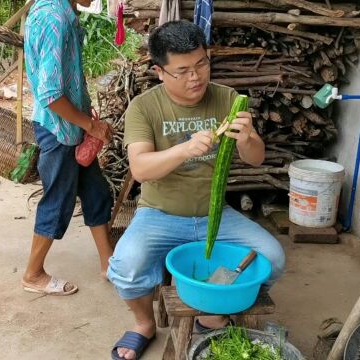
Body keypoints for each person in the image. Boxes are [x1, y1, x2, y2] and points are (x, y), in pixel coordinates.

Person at [107, 20, 286, 359]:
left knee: (273, 259)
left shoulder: (228, 98)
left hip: (215, 215)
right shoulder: (144, 107)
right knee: (125, 268)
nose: (196, 77)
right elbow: (141, 169)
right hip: (159, 214)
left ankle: (213, 313)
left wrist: (248, 138)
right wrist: (184, 149)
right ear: (160, 72)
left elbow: (256, 158)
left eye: (202, 63)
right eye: (183, 70)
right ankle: (144, 324)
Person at [21, 0, 114, 296]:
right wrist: (89, 125)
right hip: (58, 128)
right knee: (58, 200)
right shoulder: (54, 18)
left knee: (95, 192)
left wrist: (86, 122)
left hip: (72, 127)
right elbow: (50, 94)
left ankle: (108, 263)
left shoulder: (62, 11)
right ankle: (33, 274)